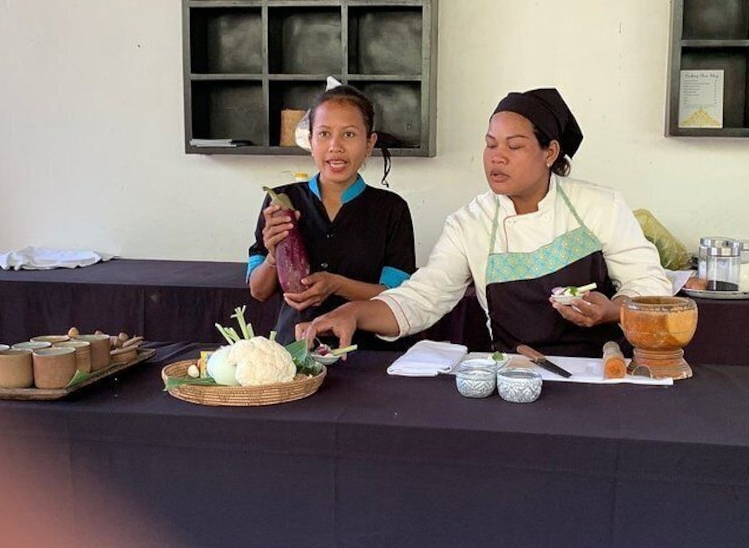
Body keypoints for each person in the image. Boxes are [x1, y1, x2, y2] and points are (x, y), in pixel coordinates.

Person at [296, 88, 671, 358]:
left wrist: (609, 309)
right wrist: (352, 312)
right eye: (491, 144)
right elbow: (421, 298)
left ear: (550, 152)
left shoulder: (599, 206)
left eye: (515, 146)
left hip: (603, 372)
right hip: (514, 371)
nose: (497, 158)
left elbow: (651, 288)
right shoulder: (470, 223)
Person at [247, 85, 416, 350]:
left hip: (368, 354)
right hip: (294, 350)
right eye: (324, 134)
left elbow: (397, 295)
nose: (335, 146)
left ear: (369, 143)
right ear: (310, 141)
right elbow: (258, 291)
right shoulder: (281, 202)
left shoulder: (391, 209)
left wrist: (336, 285)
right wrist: (272, 256)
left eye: (349, 134)